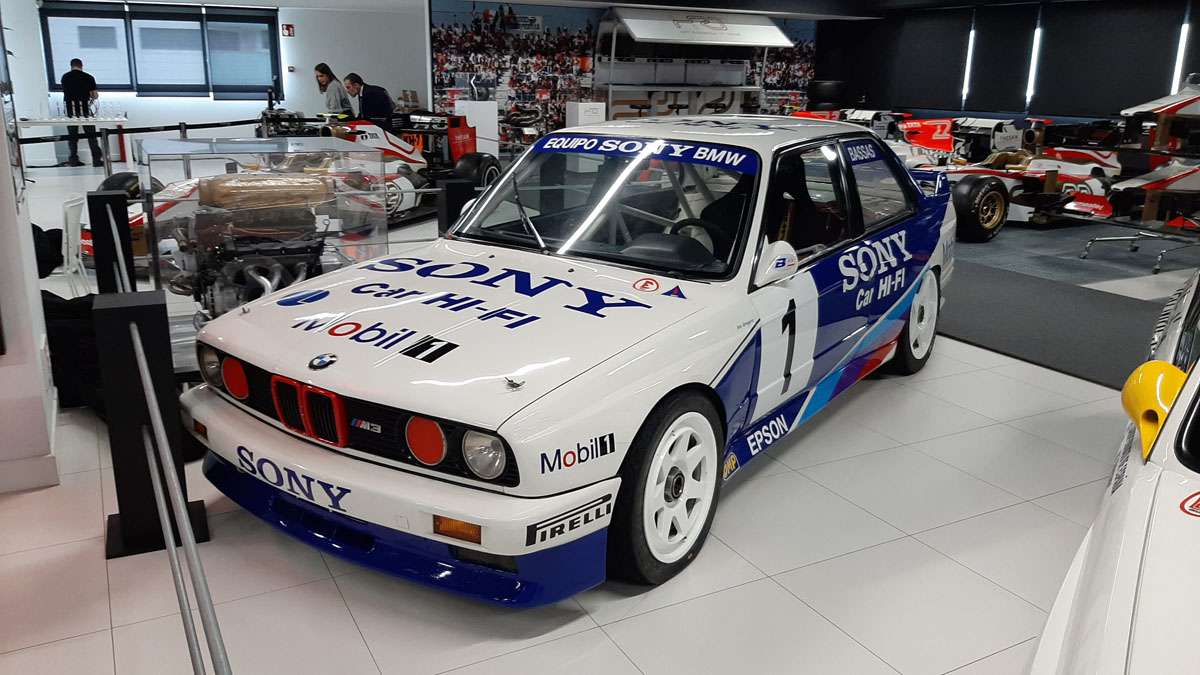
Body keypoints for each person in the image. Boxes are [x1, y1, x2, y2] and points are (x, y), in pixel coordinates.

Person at [60, 58, 102, 167]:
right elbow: (95, 96)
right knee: (91, 135)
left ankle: (73, 160)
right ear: (81, 66)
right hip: (85, 109)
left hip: (70, 110)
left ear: (71, 66)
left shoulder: (65, 77)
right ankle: (96, 160)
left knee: (72, 137)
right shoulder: (88, 77)